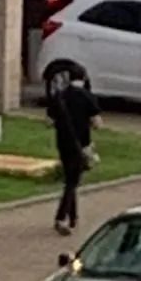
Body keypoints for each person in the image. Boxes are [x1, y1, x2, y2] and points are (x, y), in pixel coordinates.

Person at [46, 64, 101, 237]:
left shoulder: (60, 96)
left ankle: (73, 217)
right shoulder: (87, 97)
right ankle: (61, 217)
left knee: (71, 178)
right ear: (84, 78)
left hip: (63, 143)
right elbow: (97, 123)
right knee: (72, 182)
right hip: (81, 145)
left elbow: (48, 122)